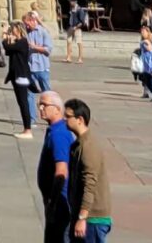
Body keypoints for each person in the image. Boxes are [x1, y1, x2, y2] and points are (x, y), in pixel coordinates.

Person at [64, 99, 113, 242]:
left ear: (80, 119)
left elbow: (89, 184)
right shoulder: (80, 143)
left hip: (93, 218)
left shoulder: (88, 147)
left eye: (68, 116)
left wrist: (82, 217)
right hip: (85, 215)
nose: (64, 119)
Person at [35, 91, 73, 243]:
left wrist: (53, 201)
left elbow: (61, 171)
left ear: (57, 109)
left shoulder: (59, 134)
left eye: (45, 105)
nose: (41, 108)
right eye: (40, 105)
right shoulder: (54, 130)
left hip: (60, 202)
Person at [4, 23, 39, 134]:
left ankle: (27, 129)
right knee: (21, 102)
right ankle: (26, 128)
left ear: (18, 30)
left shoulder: (23, 42)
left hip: (21, 76)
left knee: (24, 103)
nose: (11, 30)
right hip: (16, 75)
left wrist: (4, 36)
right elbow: (8, 52)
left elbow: (7, 47)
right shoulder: (18, 42)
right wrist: (10, 40)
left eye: (12, 28)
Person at [131, 28, 152, 103]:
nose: (142, 33)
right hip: (146, 67)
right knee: (146, 81)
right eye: (141, 32)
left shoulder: (150, 42)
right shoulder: (143, 42)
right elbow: (143, 54)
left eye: (143, 32)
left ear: (148, 33)